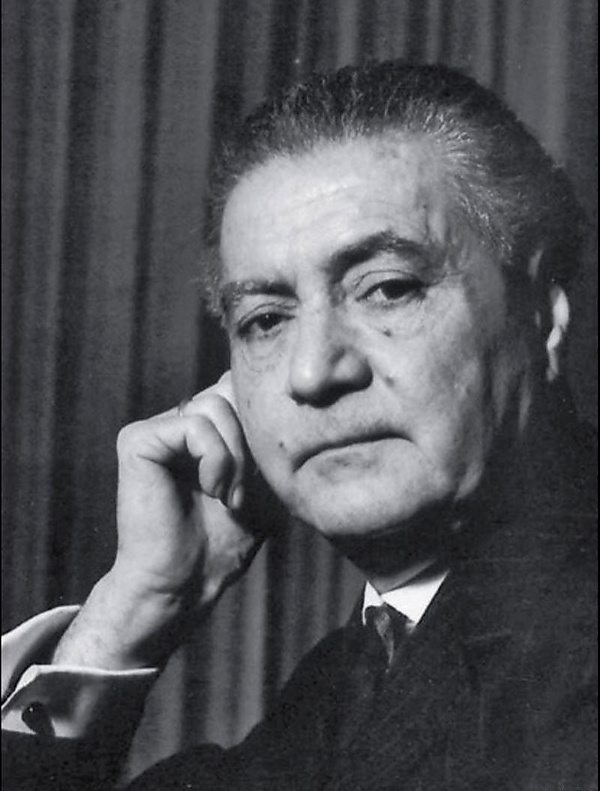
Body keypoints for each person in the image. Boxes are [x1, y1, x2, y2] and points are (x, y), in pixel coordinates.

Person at [2, 60, 597, 790]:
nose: (313, 372)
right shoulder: (342, 686)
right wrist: (136, 607)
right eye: (265, 320)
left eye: (387, 288)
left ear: (541, 314)